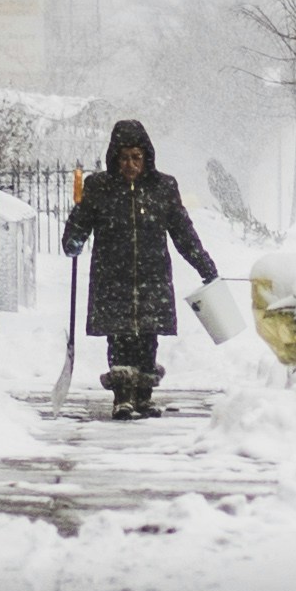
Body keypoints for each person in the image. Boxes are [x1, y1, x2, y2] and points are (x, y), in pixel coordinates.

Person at [61, 117, 219, 419]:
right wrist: (73, 240)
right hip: (112, 278)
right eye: (124, 158)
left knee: (147, 337)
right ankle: (123, 397)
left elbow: (183, 232)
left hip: (152, 277)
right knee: (120, 338)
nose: (130, 164)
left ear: (147, 157)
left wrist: (204, 265)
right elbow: (79, 224)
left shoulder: (163, 188)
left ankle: (144, 396)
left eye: (136, 157)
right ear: (114, 159)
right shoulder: (98, 188)